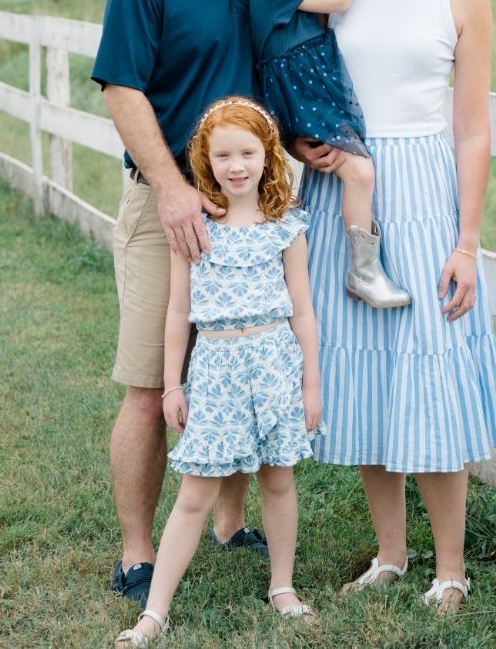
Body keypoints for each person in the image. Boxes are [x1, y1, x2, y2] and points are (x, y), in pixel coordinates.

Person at [294, 0, 496, 613]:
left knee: (429, 366)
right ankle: (390, 554)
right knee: (364, 374)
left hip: (423, 189)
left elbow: (473, 129)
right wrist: (300, 140)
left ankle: (450, 569)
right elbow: (295, 66)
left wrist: (466, 242)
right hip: (345, 189)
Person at [91, 0, 270, 606]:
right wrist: (170, 189)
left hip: (245, 215)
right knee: (147, 382)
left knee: (234, 367)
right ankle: (137, 551)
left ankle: (230, 522)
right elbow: (121, 88)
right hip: (165, 208)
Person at [114, 97, 322, 647]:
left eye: (247, 153)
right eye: (223, 155)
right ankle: (154, 612)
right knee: (195, 493)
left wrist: (311, 385)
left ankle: (282, 586)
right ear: (205, 160)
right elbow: (177, 312)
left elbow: (303, 312)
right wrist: (172, 385)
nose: (236, 166)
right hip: (217, 370)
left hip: (274, 364)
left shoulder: (286, 228)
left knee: (278, 479)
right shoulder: (197, 228)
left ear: (267, 155)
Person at [251, 0, 408, 308]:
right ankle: (364, 273)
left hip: (305, 93)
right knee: (359, 172)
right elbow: (339, 0)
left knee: (352, 170)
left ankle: (352, 269)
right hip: (304, 96)